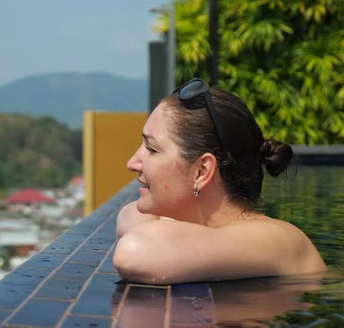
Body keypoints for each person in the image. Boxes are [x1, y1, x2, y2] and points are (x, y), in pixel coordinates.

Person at [113, 78, 326, 285]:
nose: (132, 162)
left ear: (201, 171)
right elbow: (128, 215)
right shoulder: (221, 232)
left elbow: (133, 252)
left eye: (152, 149)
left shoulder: (280, 241)